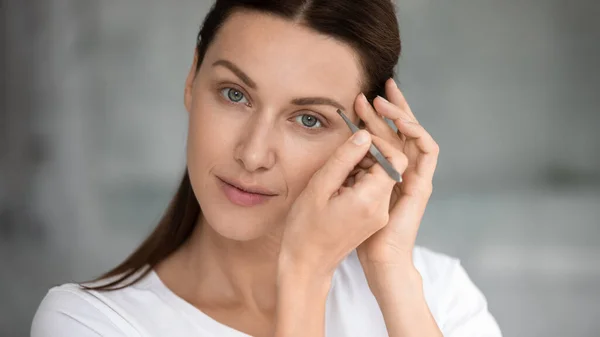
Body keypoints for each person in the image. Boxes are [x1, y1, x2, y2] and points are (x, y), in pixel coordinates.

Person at [31, 0, 502, 336]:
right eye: (235, 94)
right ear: (193, 78)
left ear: (369, 139)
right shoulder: (89, 323)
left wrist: (389, 268)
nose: (253, 154)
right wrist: (303, 277)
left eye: (308, 119)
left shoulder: (434, 295)